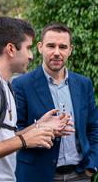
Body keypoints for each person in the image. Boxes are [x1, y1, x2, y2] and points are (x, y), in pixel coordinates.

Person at [0, 17, 70, 182]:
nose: (31, 56)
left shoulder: (3, 86)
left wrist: (38, 126)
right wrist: (24, 140)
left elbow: (3, 139)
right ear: (11, 49)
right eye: (28, 48)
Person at [12, 22, 98, 182]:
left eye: (63, 47)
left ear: (70, 50)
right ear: (40, 47)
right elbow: (14, 131)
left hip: (80, 175)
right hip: (37, 175)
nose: (57, 52)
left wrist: (92, 166)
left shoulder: (84, 84)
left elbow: (93, 127)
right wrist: (43, 129)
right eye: (51, 46)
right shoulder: (21, 85)